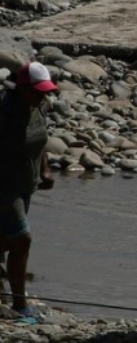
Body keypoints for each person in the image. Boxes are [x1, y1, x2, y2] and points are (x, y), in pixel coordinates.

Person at [0, 62, 57, 318]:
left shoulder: (39, 106)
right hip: (3, 188)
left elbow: (40, 138)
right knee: (22, 240)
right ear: (21, 89)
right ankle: (21, 306)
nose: (43, 95)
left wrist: (45, 168)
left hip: (26, 183)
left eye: (46, 91)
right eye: (38, 91)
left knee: (5, 240)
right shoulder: (4, 111)